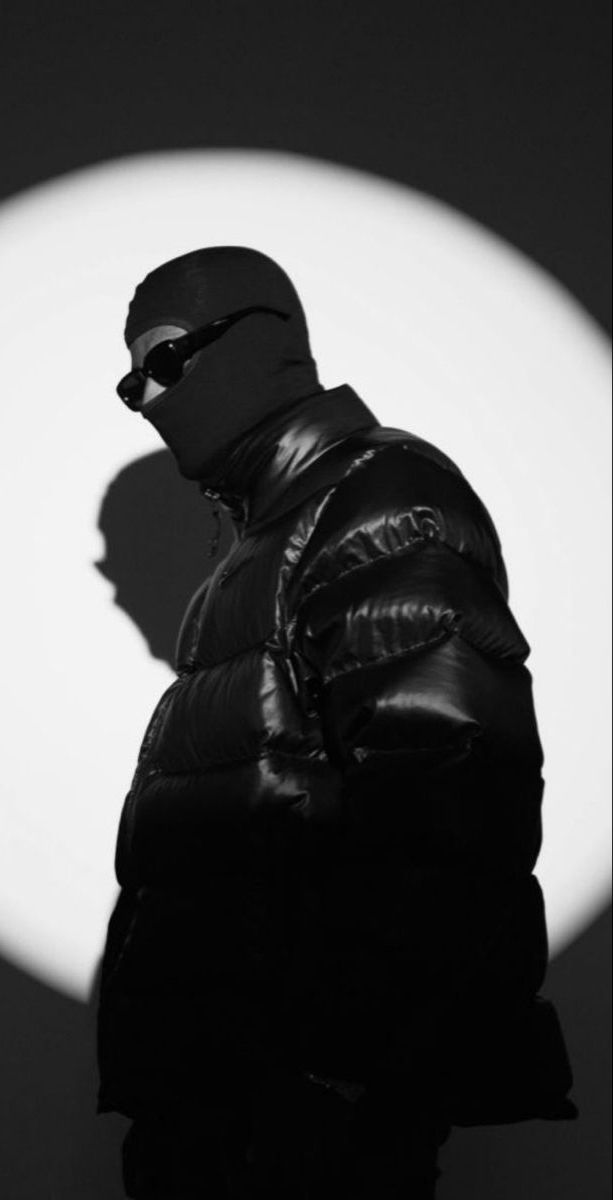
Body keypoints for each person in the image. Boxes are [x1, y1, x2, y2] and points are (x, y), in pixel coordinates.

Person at [95, 245, 577, 1199]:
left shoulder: (378, 498)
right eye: (128, 380)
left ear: (259, 341)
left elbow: (450, 801)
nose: (145, 396)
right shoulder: (265, 540)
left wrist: (339, 1080)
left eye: (162, 359)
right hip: (224, 1100)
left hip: (299, 1111)